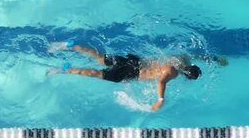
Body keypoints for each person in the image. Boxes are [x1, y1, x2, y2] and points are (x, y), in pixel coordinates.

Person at [47, 40, 228, 111]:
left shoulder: (183, 58)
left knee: (99, 57)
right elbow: (162, 82)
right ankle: (64, 69)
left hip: (133, 61)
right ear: (186, 75)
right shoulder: (172, 72)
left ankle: (69, 45)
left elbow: (198, 56)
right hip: (131, 72)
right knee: (94, 73)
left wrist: (214, 59)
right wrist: (160, 100)